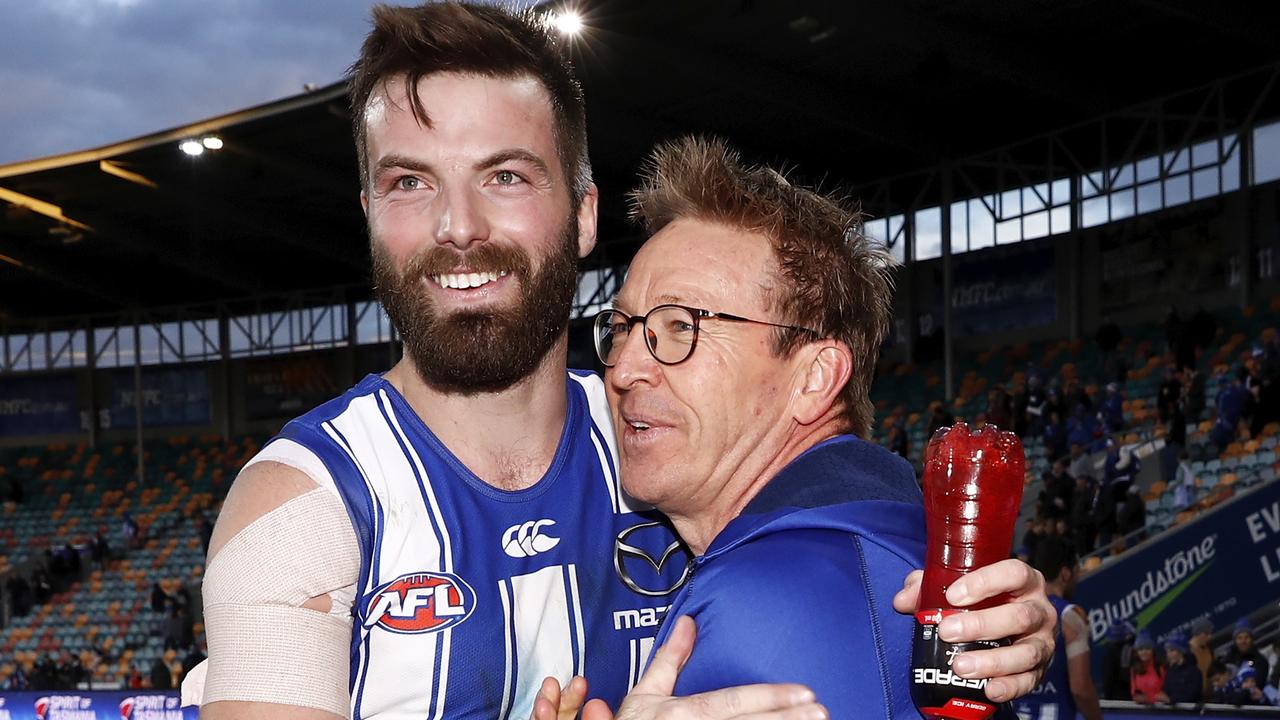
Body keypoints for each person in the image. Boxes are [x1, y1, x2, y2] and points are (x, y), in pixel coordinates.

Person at [198, 5, 1055, 719]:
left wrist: (1005, 623)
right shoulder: (301, 511)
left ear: (581, 213)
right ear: (369, 213)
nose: (457, 226)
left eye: (504, 176)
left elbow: (846, 523)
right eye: (409, 182)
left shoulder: (660, 444)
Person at [554, 136, 1055, 720]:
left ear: (815, 378)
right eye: (621, 327)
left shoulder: (757, 602)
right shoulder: (901, 542)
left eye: (680, 326)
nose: (625, 368)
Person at [1013, 538, 1102, 720]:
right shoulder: (1071, 615)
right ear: (1065, 574)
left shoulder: (1018, 612)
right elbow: (1080, 689)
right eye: (1077, 572)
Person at [1163, 634, 1202, 704]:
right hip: (1170, 713)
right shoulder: (1169, 671)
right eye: (1167, 651)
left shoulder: (1194, 672)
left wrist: (1171, 699)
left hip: (1188, 714)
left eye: (1172, 650)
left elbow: (1192, 695)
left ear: (1181, 651)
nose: (1169, 654)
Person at [1130, 632, 1168, 704]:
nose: (1144, 652)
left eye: (1147, 648)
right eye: (1140, 649)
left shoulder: (1160, 666)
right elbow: (1134, 694)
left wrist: (1150, 699)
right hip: (1142, 712)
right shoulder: (1134, 669)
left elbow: (1166, 692)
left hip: (1161, 710)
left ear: (1152, 650)